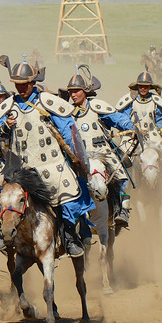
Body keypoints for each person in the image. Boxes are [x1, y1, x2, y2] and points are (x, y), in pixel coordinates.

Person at [0, 56, 95, 257]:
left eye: (25, 84)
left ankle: (70, 236)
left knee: (68, 194)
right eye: (18, 85)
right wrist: (6, 126)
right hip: (22, 169)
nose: (21, 88)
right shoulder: (8, 107)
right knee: (1, 191)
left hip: (52, 165)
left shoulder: (48, 103)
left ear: (33, 83)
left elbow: (68, 130)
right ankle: (4, 231)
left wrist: (78, 159)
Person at [62, 67, 134, 229]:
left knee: (121, 177)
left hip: (103, 151)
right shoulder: (67, 112)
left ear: (85, 91)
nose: (73, 94)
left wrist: (129, 125)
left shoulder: (97, 107)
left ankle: (122, 211)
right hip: (79, 156)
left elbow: (117, 118)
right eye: (71, 91)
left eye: (76, 91)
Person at [115, 68, 162, 196]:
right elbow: (124, 119)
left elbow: (159, 121)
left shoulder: (155, 101)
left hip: (152, 135)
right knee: (124, 161)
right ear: (137, 86)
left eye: (146, 86)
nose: (143, 88)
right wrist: (134, 129)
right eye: (141, 86)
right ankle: (123, 192)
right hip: (132, 135)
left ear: (150, 87)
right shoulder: (130, 100)